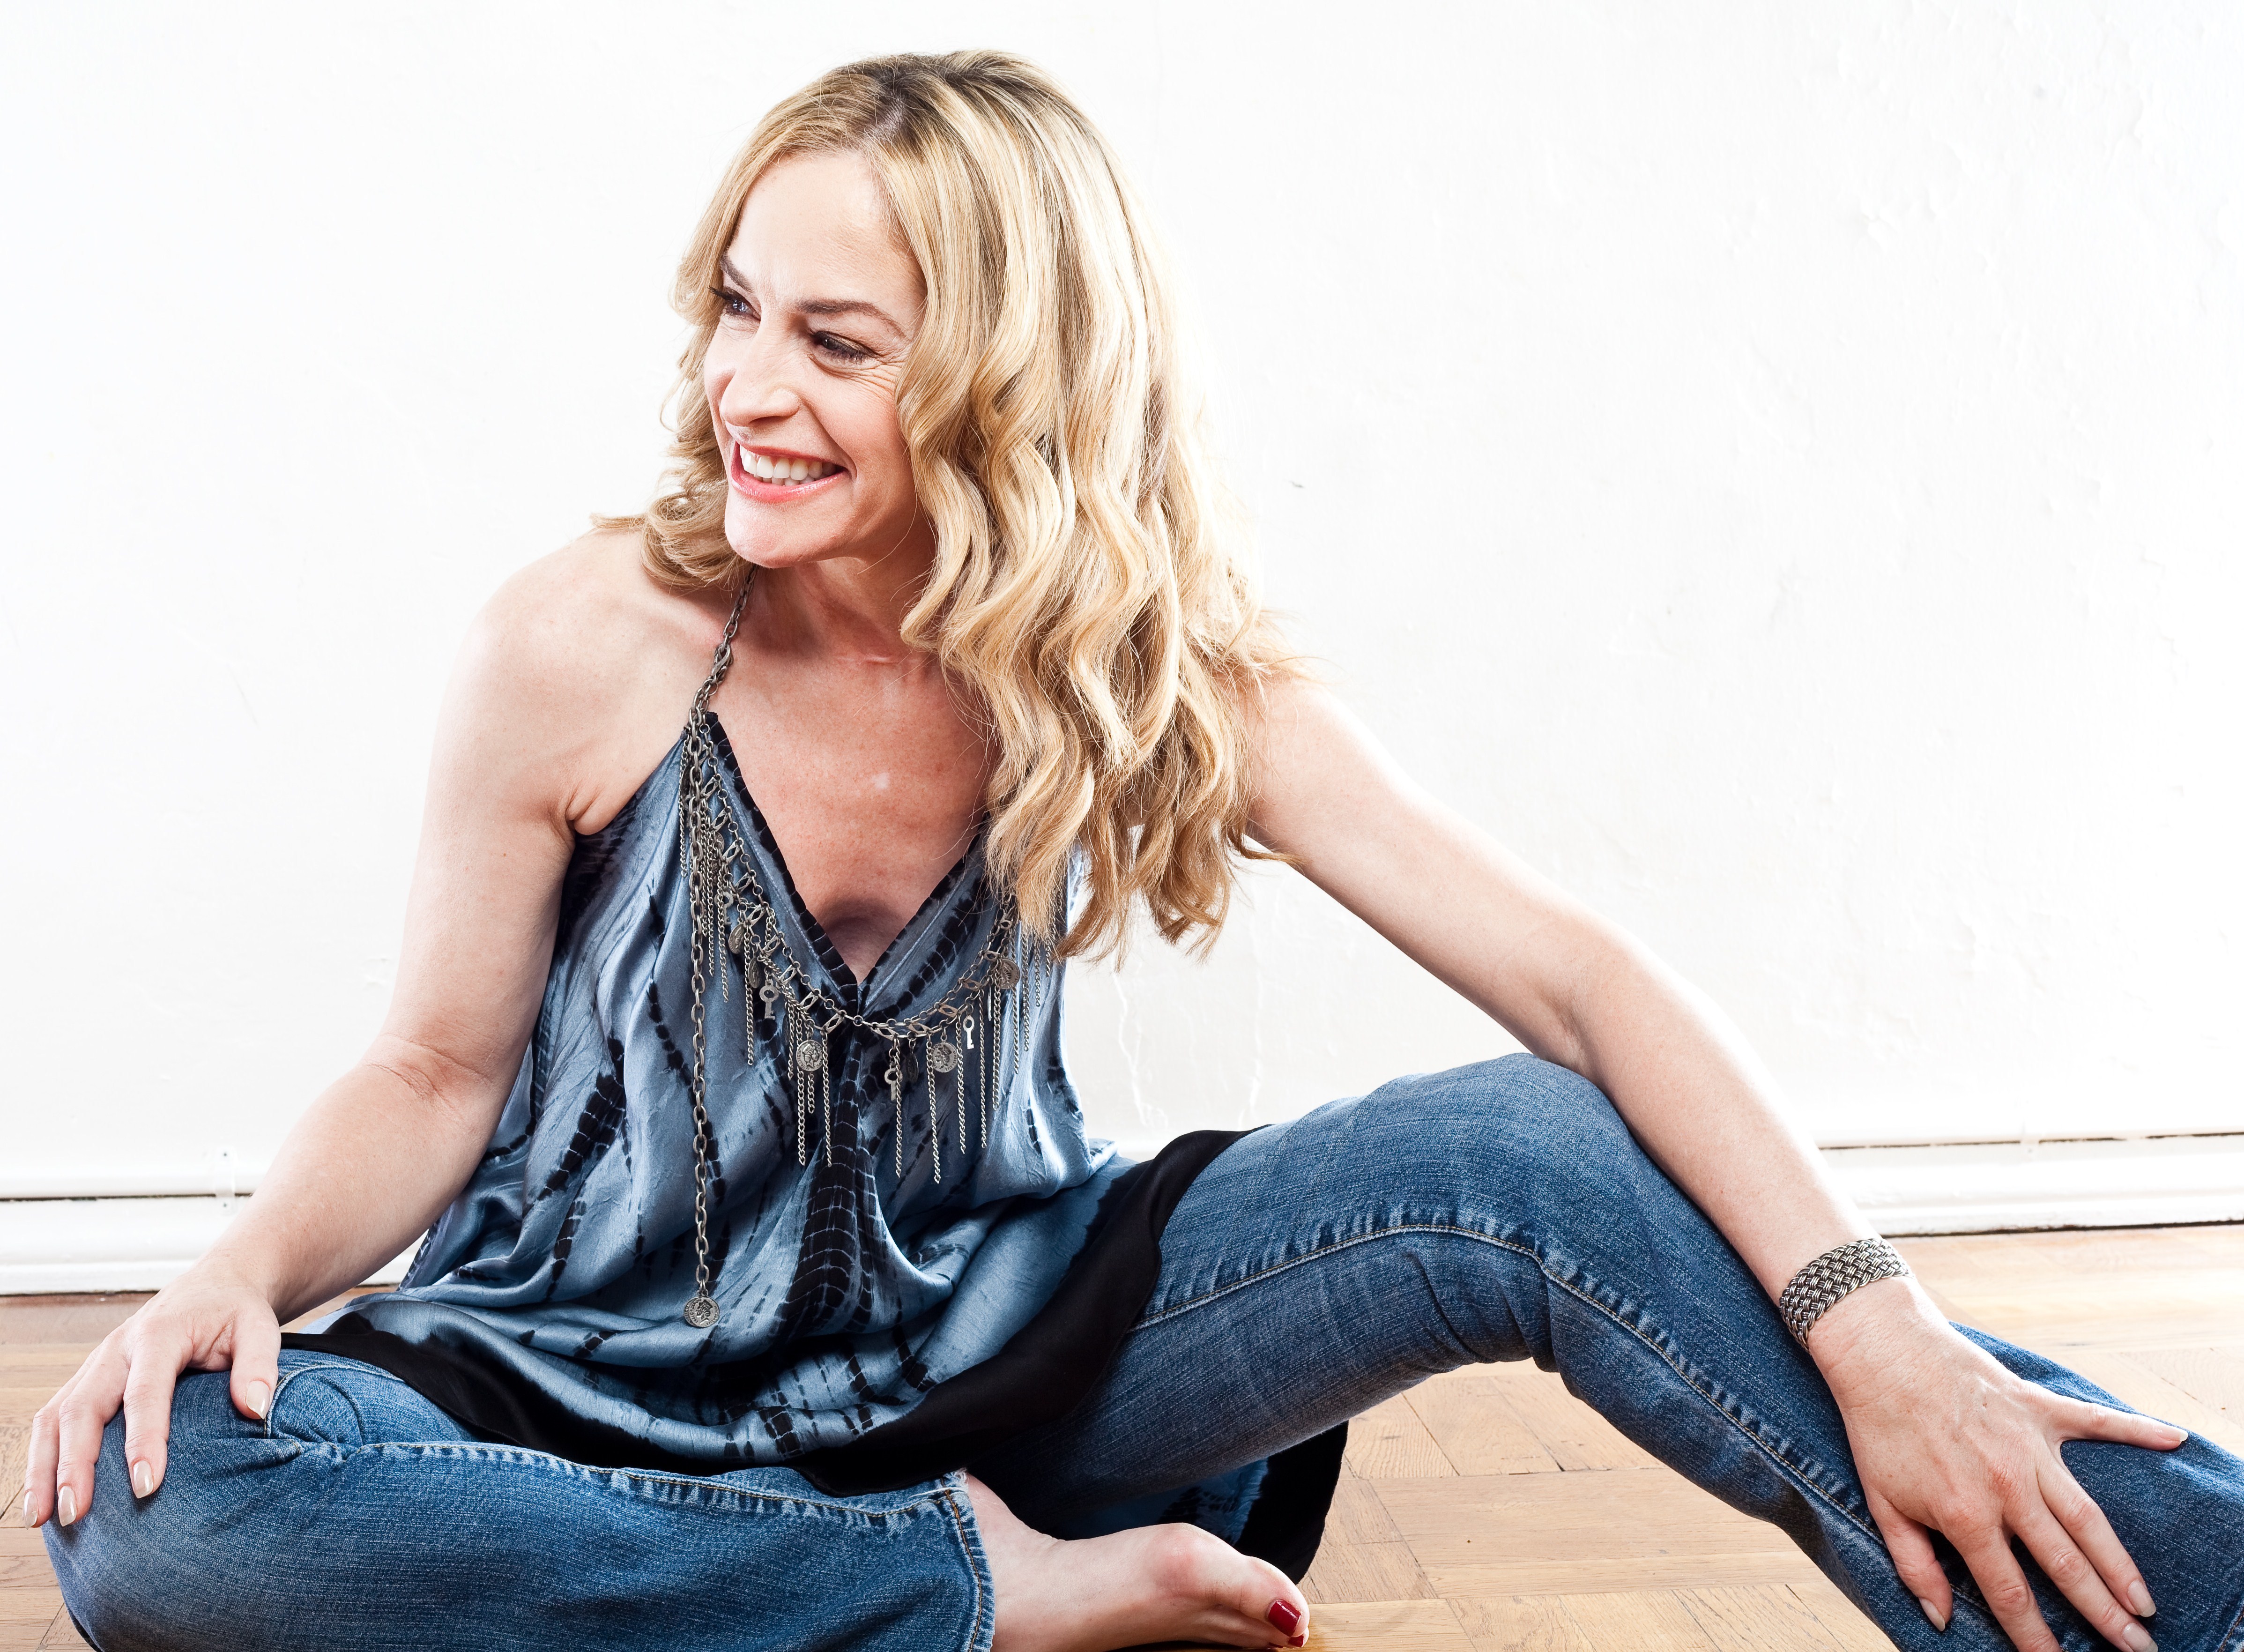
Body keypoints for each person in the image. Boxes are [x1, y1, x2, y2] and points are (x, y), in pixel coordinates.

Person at [23, 49, 2243, 1652]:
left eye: (836, 343)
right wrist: (242, 1269)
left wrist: (1884, 1331)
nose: (745, 390)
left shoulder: (1127, 659)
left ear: (1004, 378)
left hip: (1023, 1349)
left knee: (1530, 1155)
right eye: (735, 309)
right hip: (573, 1386)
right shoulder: (586, 642)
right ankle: (968, 1595)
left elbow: (1573, 980)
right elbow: (433, 1071)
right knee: (154, 1517)